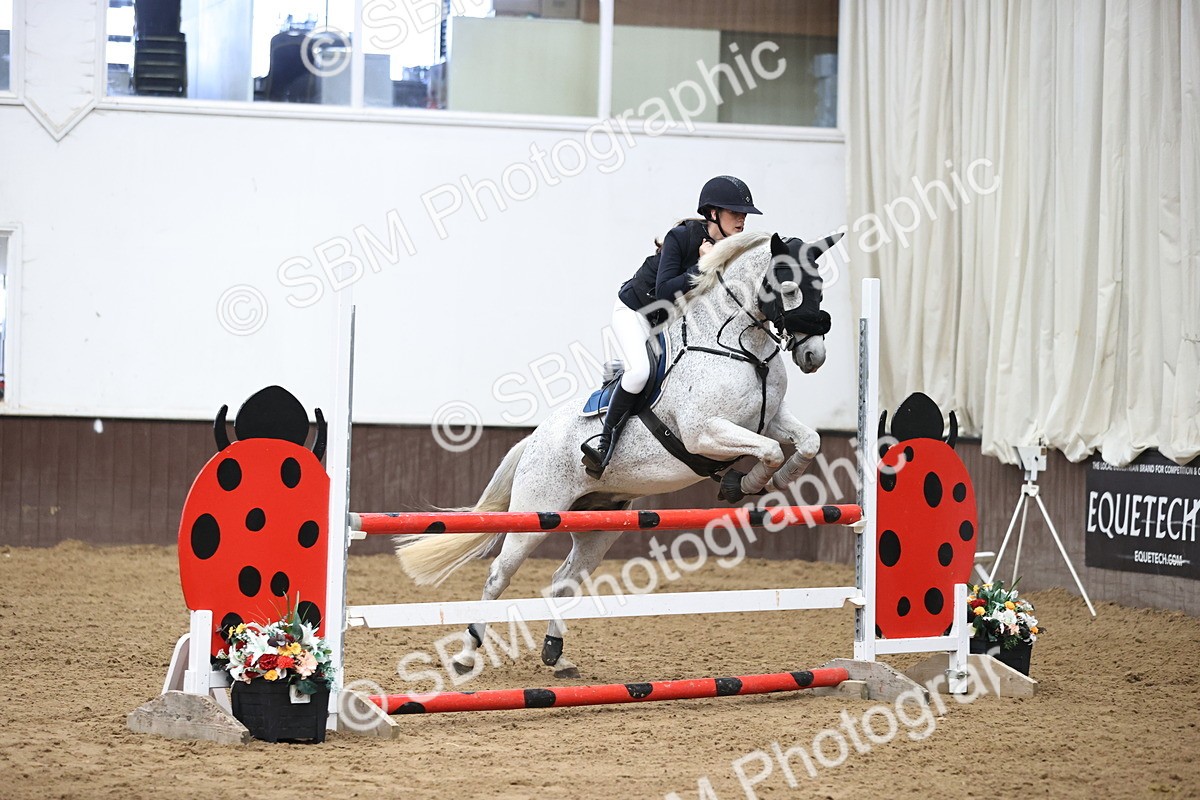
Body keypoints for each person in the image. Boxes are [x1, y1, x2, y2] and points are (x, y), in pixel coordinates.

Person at [580, 175, 763, 478]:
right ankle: (603, 445)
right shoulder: (682, 237)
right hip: (636, 312)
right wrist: (703, 264)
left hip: (673, 323)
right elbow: (665, 291)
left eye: (744, 213)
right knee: (639, 372)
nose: (742, 219)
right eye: (735, 212)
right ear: (713, 213)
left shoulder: (734, 250)